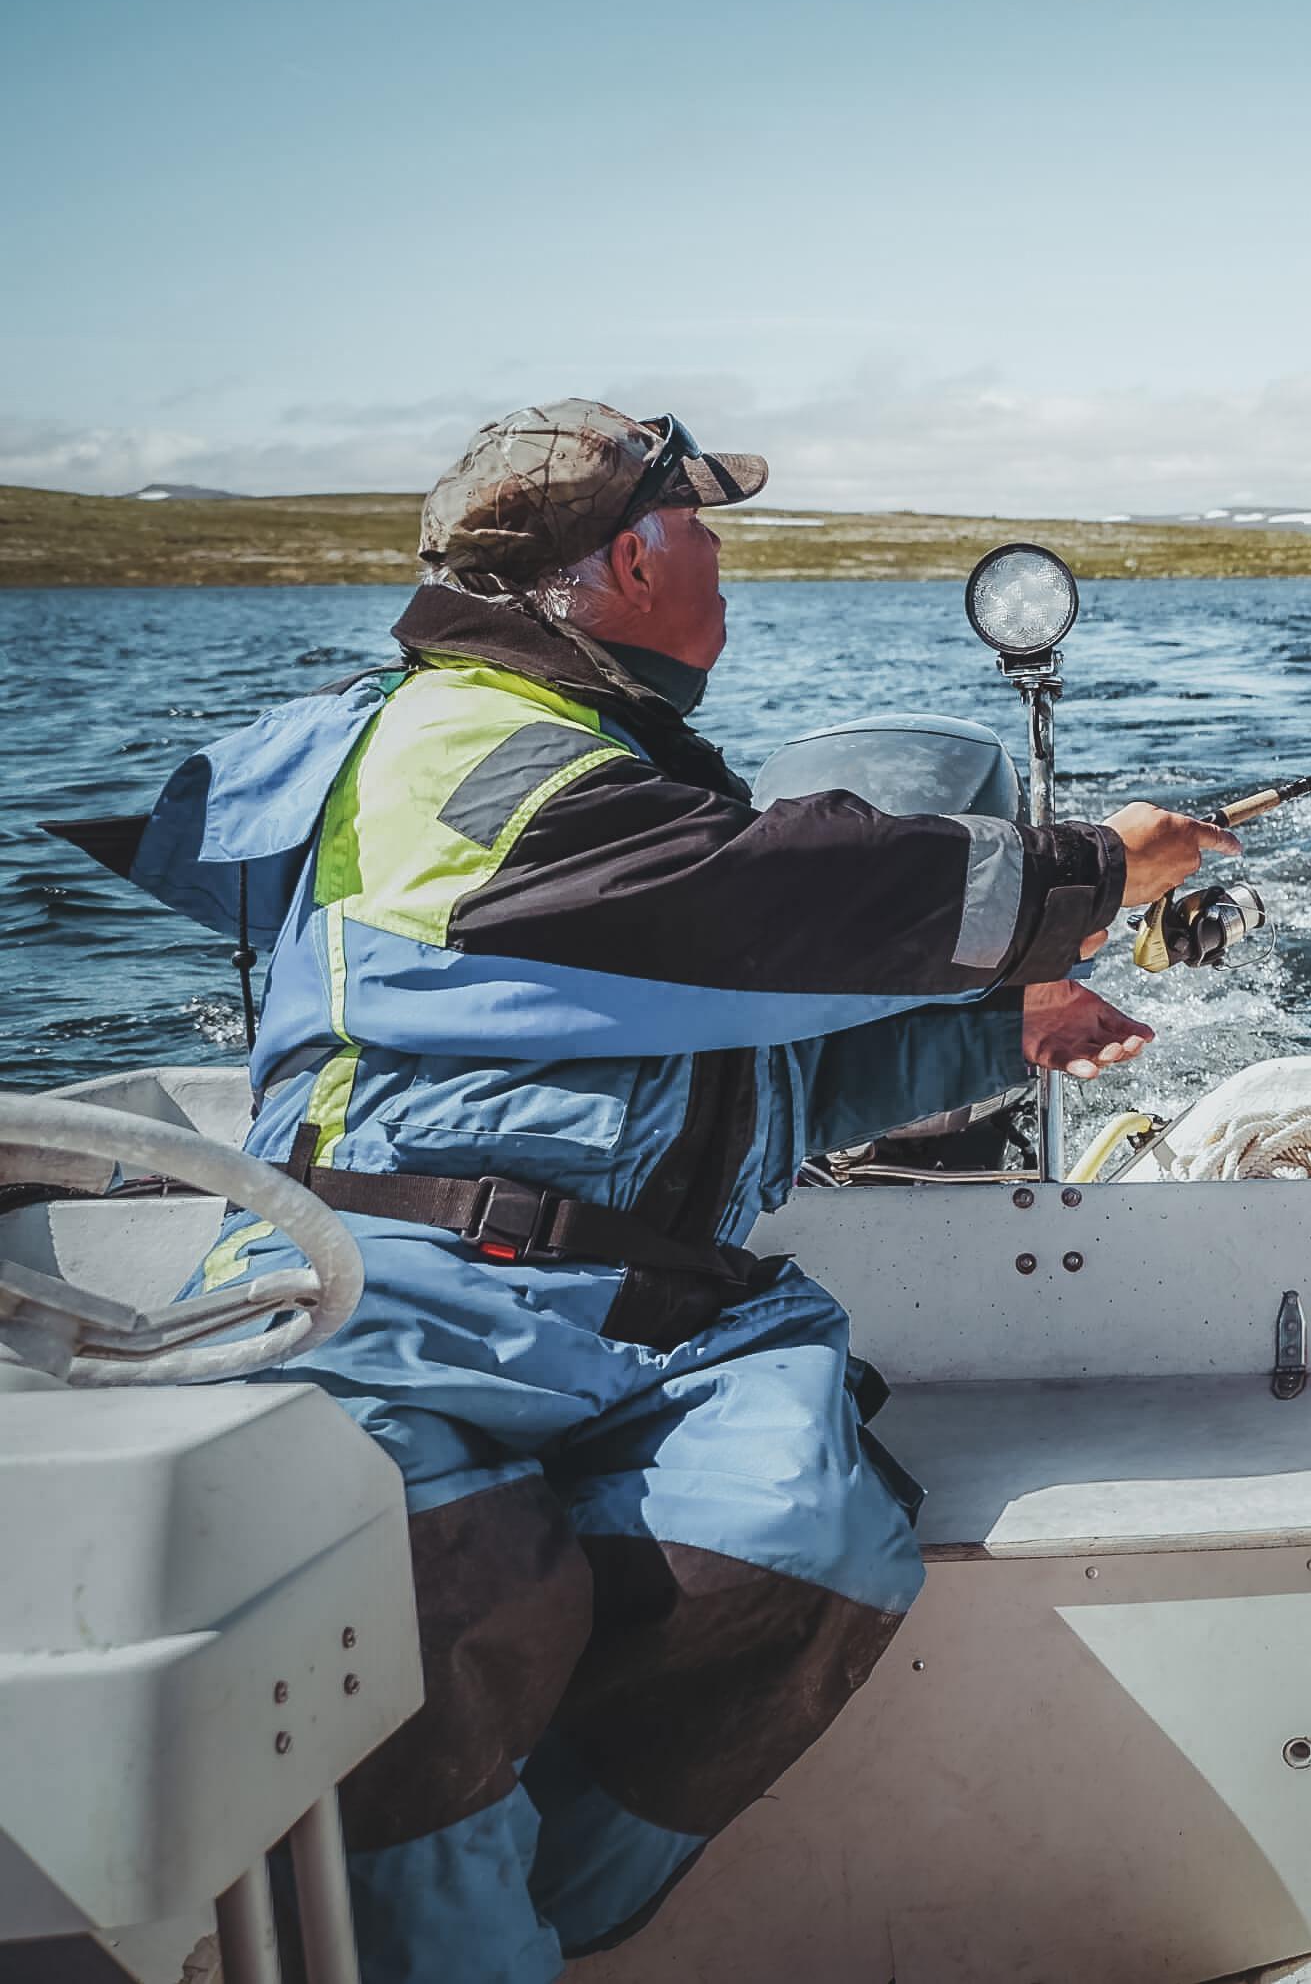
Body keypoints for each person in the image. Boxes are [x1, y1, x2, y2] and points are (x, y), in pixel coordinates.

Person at [73, 401, 1236, 1982]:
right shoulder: (450, 744)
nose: (722, 566)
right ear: (630, 554)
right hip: (389, 1296)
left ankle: (527, 1928)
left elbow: (750, 1070)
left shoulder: (609, 776)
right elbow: (760, 908)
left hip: (656, 1319)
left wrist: (1001, 1023)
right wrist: (1086, 872)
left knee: (801, 1538)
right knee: (460, 1593)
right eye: (703, 530)